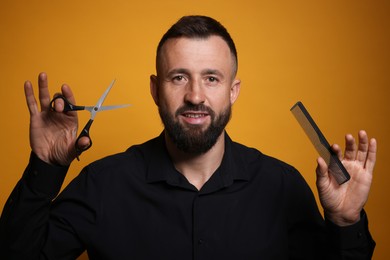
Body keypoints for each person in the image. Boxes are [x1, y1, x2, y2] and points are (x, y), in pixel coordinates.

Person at [0, 15, 377, 260]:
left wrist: (346, 222)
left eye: (211, 78)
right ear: (154, 89)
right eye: (178, 77)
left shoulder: (282, 186)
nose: (195, 95)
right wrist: (45, 167)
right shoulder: (103, 184)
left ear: (233, 91)